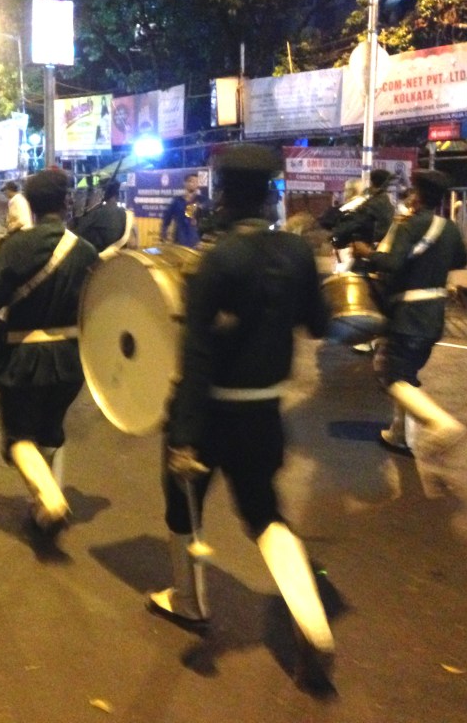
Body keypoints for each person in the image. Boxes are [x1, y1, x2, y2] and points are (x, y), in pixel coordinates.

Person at [146, 145, 335, 690]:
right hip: (264, 412)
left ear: (224, 194)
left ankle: (189, 601)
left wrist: (183, 435)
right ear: (270, 194)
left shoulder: (217, 260)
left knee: (181, 507)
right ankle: (314, 622)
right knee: (263, 512)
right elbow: (319, 325)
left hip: (209, 414)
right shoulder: (296, 253)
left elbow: (197, 354)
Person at [0, 168, 99, 532]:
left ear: (28, 203)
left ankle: (49, 497)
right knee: (50, 430)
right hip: (70, 362)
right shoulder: (86, 250)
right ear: (66, 202)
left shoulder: (15, 246)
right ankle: (44, 507)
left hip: (24, 359)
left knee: (18, 437)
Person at [351, 169, 467, 456]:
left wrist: (367, 253)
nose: (409, 196)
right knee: (406, 373)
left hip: (408, 315)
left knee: (389, 373)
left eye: (412, 191)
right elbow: (461, 260)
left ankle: (440, 423)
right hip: (434, 315)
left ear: (418, 195)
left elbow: (391, 263)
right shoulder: (449, 228)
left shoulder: (410, 225)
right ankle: (400, 434)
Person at [68, 178, 134, 258]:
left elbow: (76, 235)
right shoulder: (127, 215)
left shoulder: (97, 213)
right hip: (121, 259)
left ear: (102, 194)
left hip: (98, 261)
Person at [159, 172, 207, 247]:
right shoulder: (177, 201)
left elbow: (210, 206)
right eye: (192, 181)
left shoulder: (201, 200)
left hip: (194, 242)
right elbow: (166, 219)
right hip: (178, 241)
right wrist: (163, 234)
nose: (195, 184)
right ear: (185, 183)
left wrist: (200, 207)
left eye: (196, 182)